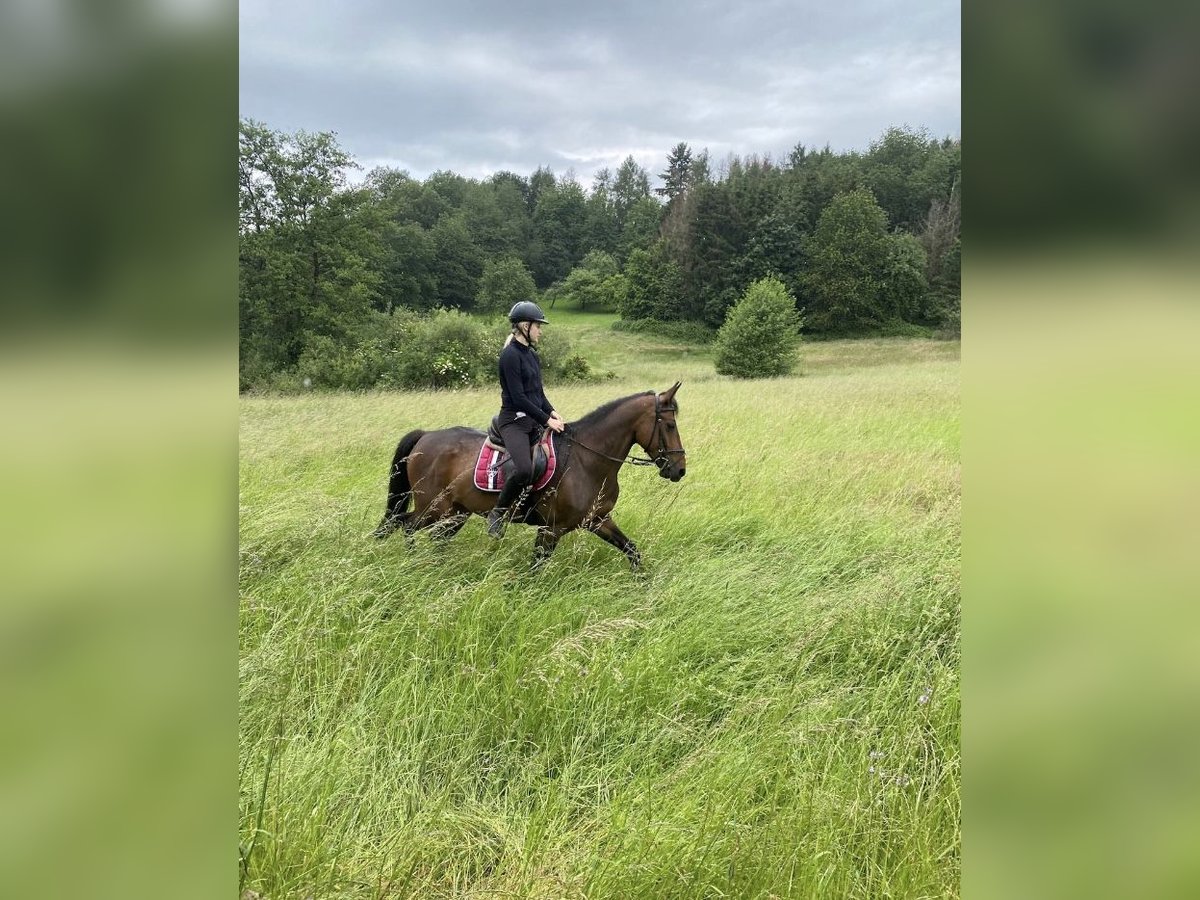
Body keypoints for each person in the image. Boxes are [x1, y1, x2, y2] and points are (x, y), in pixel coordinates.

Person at [486, 301, 566, 538]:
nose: (540, 330)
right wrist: (545, 421)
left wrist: (552, 412)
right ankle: (497, 514)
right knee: (523, 469)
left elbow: (538, 392)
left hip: (533, 420)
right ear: (524, 326)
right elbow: (519, 398)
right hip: (513, 421)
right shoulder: (509, 356)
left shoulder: (531, 354)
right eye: (538, 326)